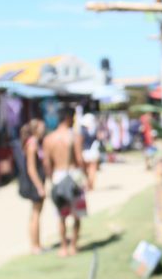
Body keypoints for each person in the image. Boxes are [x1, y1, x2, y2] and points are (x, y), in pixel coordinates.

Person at [43, 106, 87, 257]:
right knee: (76, 214)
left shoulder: (48, 139)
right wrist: (86, 178)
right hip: (73, 176)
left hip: (57, 176)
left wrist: (50, 180)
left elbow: (47, 164)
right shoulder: (75, 137)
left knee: (61, 214)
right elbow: (80, 160)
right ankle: (73, 245)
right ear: (68, 118)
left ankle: (63, 247)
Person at [22, 119, 47, 254]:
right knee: (35, 214)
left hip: (37, 183)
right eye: (42, 128)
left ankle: (37, 244)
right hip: (34, 185)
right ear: (34, 130)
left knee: (36, 213)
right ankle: (35, 246)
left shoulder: (36, 143)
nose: (44, 130)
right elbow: (31, 169)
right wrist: (40, 187)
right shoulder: (31, 145)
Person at [80, 113, 102, 190]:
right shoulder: (95, 129)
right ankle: (91, 185)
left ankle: (87, 184)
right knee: (93, 169)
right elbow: (100, 138)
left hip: (84, 152)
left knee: (87, 169)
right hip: (93, 152)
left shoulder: (82, 131)